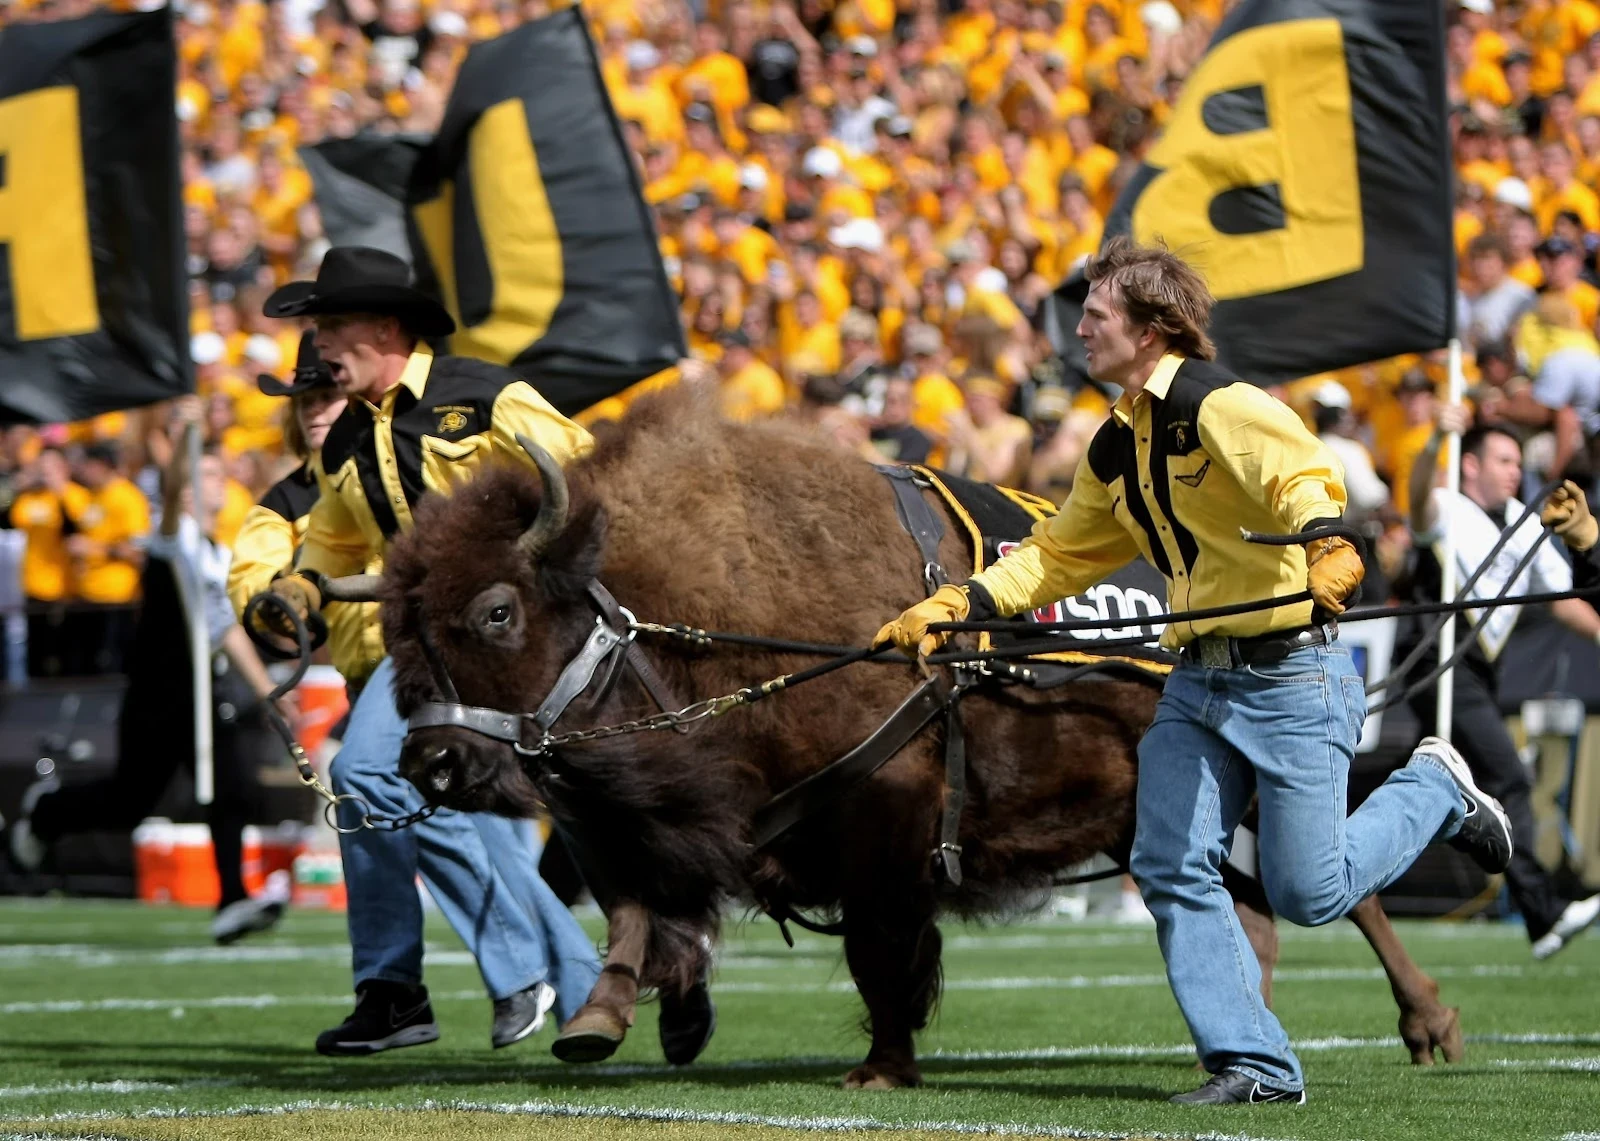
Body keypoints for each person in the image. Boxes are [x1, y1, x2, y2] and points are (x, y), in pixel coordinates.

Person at [875, 239, 1514, 1106]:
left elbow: (1301, 478)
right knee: (1170, 862)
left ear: (1150, 329)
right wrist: (962, 601)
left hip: (1290, 672)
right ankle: (1254, 1064)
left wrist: (1329, 543)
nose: (1081, 330)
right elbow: (1061, 557)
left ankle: (1435, 785)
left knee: (1308, 889)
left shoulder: (1223, 406)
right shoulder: (1113, 443)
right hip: (1196, 680)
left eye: (1096, 315)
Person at [249, 247, 605, 1057]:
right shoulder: (342, 444)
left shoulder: (483, 395)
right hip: (422, 644)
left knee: (581, 811)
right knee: (370, 777)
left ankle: (563, 978)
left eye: (332, 325)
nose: (319, 344)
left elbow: (585, 478)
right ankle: (406, 987)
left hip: (520, 639)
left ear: (385, 327)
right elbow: (334, 542)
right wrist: (304, 586)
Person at [6, 400, 290, 945]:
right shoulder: (171, 538)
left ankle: (232, 898)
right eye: (204, 473)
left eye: (217, 473)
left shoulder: (217, 552)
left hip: (203, 690)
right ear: (184, 487)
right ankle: (49, 811)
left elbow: (223, 630)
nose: (216, 482)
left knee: (230, 787)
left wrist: (268, 691)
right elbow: (170, 481)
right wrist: (185, 434)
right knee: (129, 802)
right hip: (157, 692)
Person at [1404, 410, 1600, 960]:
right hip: (1436, 664)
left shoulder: (1522, 521)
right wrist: (1437, 437)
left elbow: (1563, 601)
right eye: (1503, 460)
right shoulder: (1447, 506)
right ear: (1470, 465)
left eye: (1518, 462)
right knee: (1510, 778)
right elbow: (1417, 497)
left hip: (1478, 672)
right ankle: (1544, 914)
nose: (1516, 471)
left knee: (1442, 789)